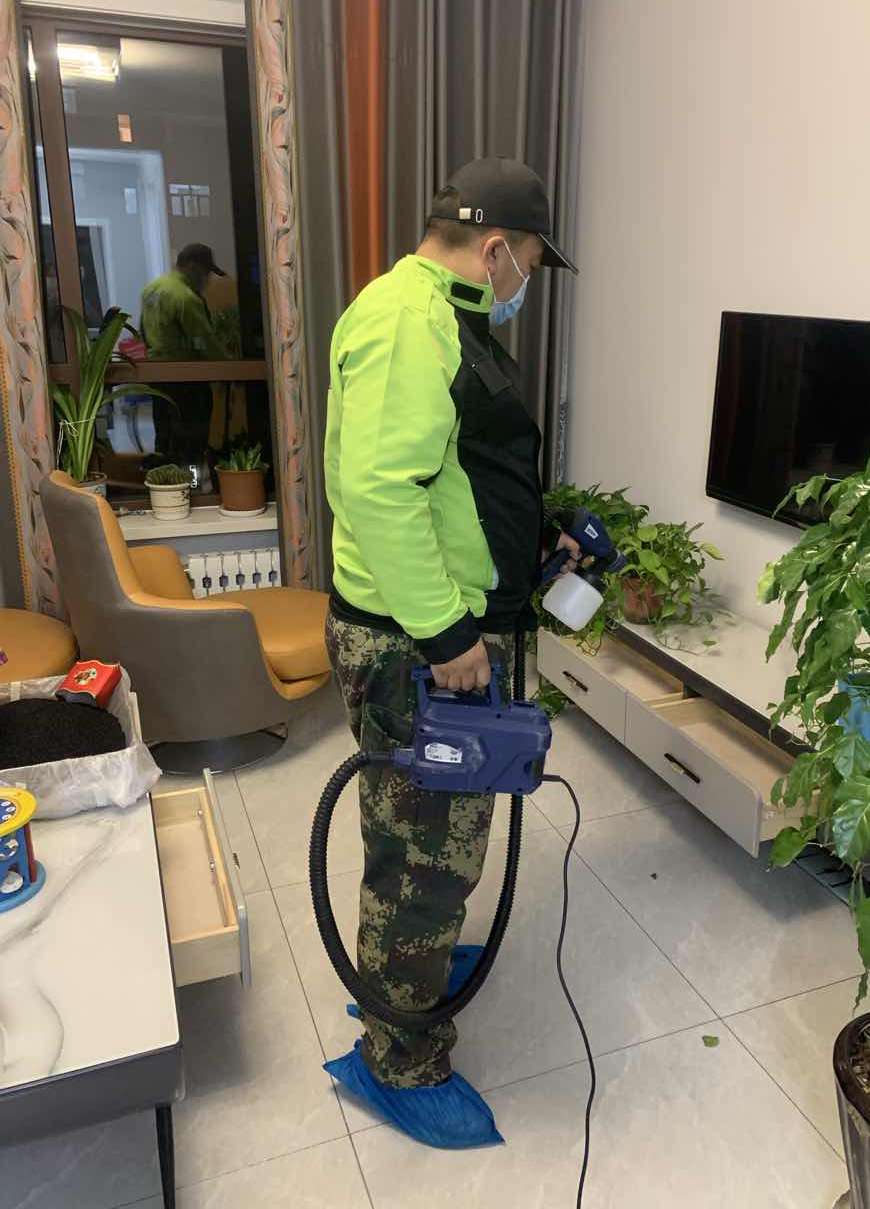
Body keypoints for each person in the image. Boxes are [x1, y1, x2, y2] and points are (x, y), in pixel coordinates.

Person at [322, 157, 580, 1147]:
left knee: (435, 843)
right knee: (421, 861)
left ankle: (411, 965)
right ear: (497, 248)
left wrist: (535, 539)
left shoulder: (446, 316)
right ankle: (398, 1057)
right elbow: (380, 492)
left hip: (442, 627)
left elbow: (459, 474)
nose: (526, 284)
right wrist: (446, 637)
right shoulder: (407, 321)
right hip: (415, 644)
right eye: (530, 266)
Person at [140, 244, 226, 462]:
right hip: (187, 382)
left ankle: (165, 479)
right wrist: (231, 366)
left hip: (158, 380)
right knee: (191, 445)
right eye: (206, 273)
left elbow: (143, 332)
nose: (207, 280)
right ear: (192, 267)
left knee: (165, 439)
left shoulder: (151, 289)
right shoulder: (186, 298)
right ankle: (192, 480)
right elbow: (205, 341)